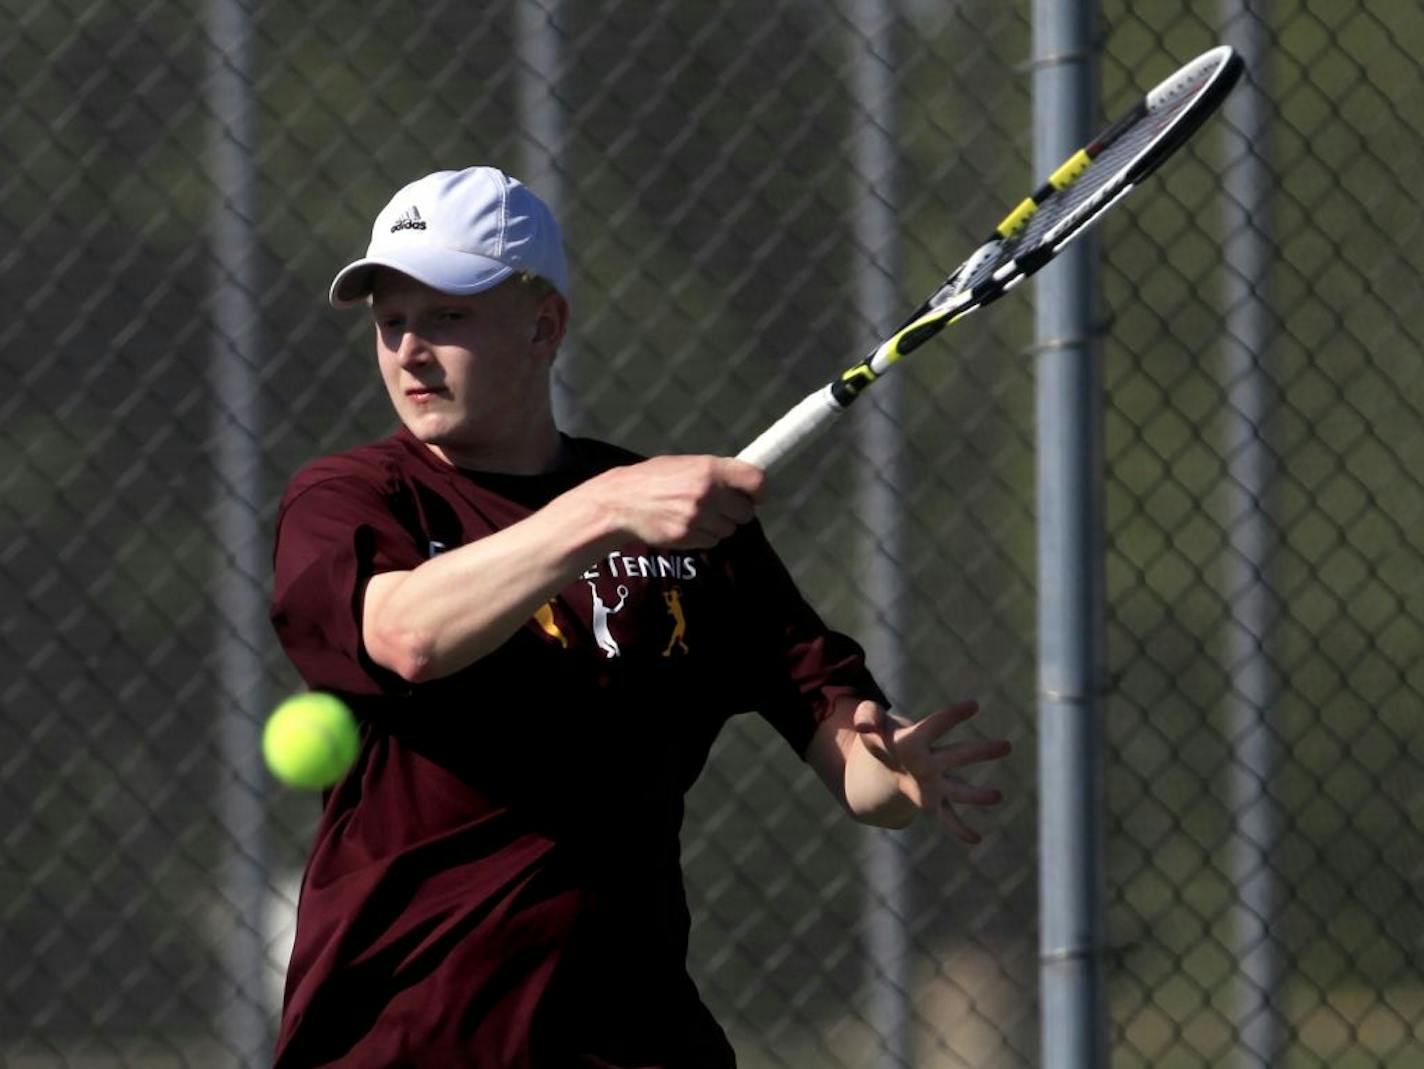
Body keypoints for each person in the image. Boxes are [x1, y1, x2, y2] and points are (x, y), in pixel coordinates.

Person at [269, 165, 1011, 1068]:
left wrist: (894, 770)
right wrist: (603, 508)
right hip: (402, 1035)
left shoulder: (681, 527)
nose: (411, 350)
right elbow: (408, 636)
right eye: (393, 322)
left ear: (544, 325)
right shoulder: (356, 497)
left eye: (448, 316)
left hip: (630, 1035)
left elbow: (844, 749)